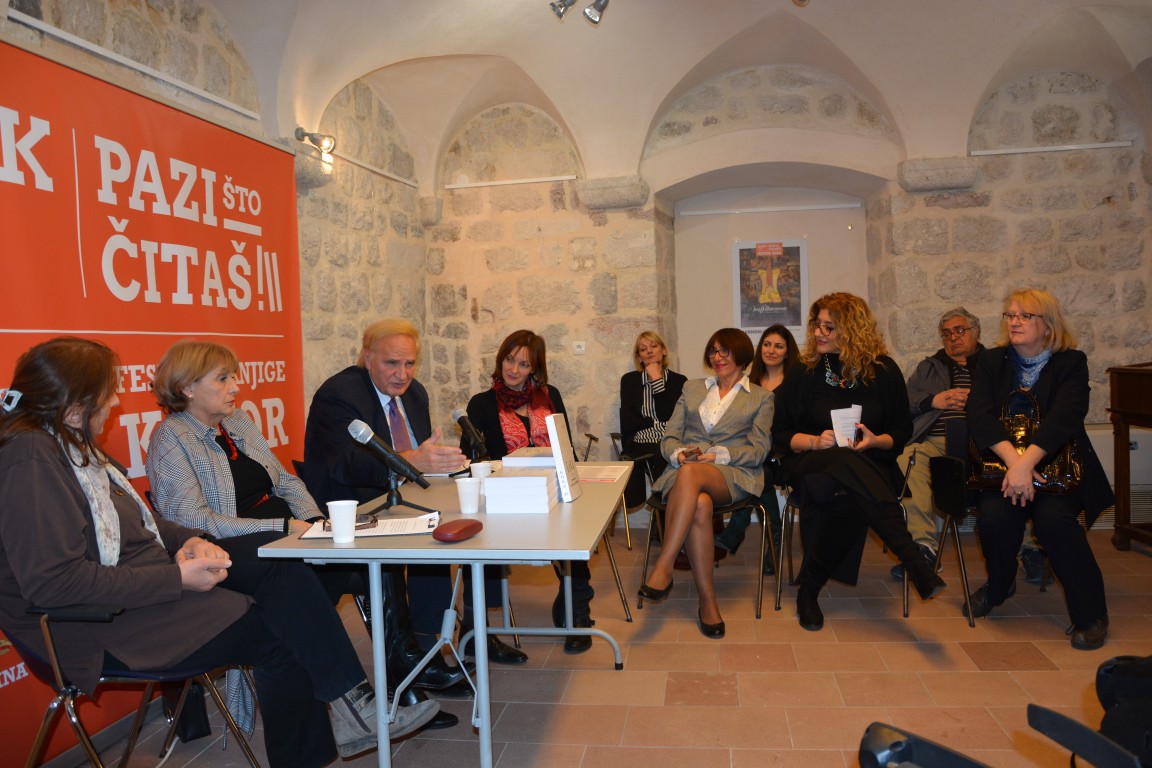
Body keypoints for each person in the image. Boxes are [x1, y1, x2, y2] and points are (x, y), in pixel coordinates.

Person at [0, 338, 438, 768]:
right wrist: (177, 577)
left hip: (141, 590)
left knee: (278, 573)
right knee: (285, 626)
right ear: (75, 404)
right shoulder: (32, 459)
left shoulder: (66, 446)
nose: (115, 401)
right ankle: (353, 713)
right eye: (106, 392)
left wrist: (187, 539)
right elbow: (56, 584)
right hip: (96, 625)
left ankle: (356, 708)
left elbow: (142, 524)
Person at [145, 340, 459, 729]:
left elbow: (285, 481)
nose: (236, 387)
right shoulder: (171, 438)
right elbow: (192, 520)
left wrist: (316, 523)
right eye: (223, 379)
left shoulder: (238, 421)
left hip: (290, 535)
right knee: (305, 580)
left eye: (234, 377)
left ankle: (403, 679)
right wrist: (283, 528)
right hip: (235, 553)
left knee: (376, 559)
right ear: (187, 387)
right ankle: (357, 700)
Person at [300, 320, 514, 668]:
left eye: (410, 363)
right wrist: (412, 461)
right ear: (368, 356)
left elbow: (419, 460)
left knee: (480, 523)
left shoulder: (415, 394)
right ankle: (426, 653)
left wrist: (439, 463)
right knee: (432, 537)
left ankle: (475, 633)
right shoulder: (339, 394)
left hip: (405, 498)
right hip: (355, 506)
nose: (402, 374)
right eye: (392, 363)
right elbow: (345, 464)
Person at [772, 293, 945, 632]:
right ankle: (911, 556)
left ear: (852, 329)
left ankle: (809, 590)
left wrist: (876, 441)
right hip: (810, 460)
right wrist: (814, 441)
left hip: (870, 464)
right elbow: (780, 434)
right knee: (836, 465)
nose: (818, 332)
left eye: (828, 327)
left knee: (840, 495)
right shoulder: (803, 372)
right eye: (816, 325)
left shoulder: (884, 371)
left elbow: (902, 430)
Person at [965, 289, 1112, 649]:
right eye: (1010, 315)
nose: (1014, 322)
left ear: (1048, 325)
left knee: (1054, 522)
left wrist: (1027, 463)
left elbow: (1065, 418)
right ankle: (1000, 586)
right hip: (1003, 468)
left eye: (1025, 316)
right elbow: (979, 415)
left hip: (1057, 470)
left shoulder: (1070, 362)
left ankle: (1091, 615)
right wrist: (1015, 465)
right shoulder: (990, 361)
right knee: (994, 519)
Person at [463, 329, 595, 654]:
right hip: (506, 500)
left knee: (574, 527)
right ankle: (475, 629)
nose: (513, 369)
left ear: (534, 368)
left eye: (523, 364)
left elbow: (566, 450)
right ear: (500, 359)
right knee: (476, 539)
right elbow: (472, 460)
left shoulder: (550, 397)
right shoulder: (481, 404)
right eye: (509, 360)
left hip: (553, 495)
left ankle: (576, 612)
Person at [636, 328, 772, 640]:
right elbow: (669, 437)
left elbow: (759, 450)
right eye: (713, 351)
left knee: (693, 474)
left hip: (732, 473)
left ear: (741, 355)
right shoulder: (693, 388)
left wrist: (720, 455)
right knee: (699, 503)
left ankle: (664, 565)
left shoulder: (762, 398)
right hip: (685, 472)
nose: (717, 357)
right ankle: (708, 602)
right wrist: (679, 454)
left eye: (725, 351)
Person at [888, 307, 984, 580]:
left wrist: (977, 402)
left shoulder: (994, 364)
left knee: (1014, 464)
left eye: (959, 330)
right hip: (935, 442)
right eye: (946, 333)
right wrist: (933, 400)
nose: (953, 337)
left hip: (982, 441)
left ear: (976, 332)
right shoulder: (928, 367)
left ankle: (1029, 549)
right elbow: (902, 403)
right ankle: (923, 548)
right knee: (908, 458)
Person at [714, 324, 799, 573]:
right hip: (755, 452)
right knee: (756, 472)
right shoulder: (750, 381)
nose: (771, 350)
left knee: (757, 471)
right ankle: (774, 544)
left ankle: (736, 531)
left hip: (783, 452)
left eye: (779, 346)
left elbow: (796, 424)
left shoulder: (795, 382)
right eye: (767, 344)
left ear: (787, 352)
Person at [619, 331, 687, 508]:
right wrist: (653, 423)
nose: (649, 351)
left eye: (654, 346)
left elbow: (669, 415)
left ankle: (666, 514)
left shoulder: (679, 381)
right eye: (643, 349)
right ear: (639, 358)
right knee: (661, 455)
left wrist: (657, 380)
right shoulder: (629, 381)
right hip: (642, 442)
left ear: (663, 351)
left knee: (675, 455)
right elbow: (627, 421)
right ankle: (662, 511)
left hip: (672, 440)